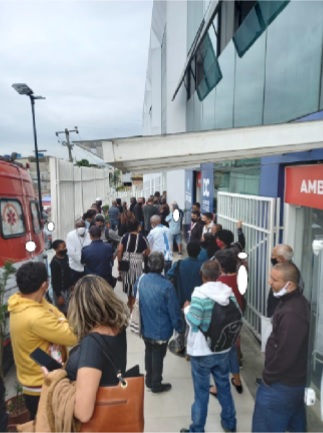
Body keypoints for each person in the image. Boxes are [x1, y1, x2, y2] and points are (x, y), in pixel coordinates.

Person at [8, 261, 77, 420]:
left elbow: (46, 306)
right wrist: (61, 317)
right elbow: (71, 336)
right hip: (44, 386)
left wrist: (51, 309)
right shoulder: (36, 317)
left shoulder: (19, 302)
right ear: (45, 285)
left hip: (31, 383)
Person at [252, 261, 310, 433]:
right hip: (290, 385)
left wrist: (269, 378)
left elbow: (286, 354)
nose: (270, 282)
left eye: (274, 279)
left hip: (280, 386)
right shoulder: (291, 302)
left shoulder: (292, 313)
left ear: (289, 284)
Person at [181, 260, 237, 433]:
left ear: (203, 275)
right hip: (223, 348)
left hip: (202, 351)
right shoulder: (228, 293)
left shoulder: (199, 294)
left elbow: (194, 321)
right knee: (224, 387)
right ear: (218, 274)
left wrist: (187, 309)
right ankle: (229, 423)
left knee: (201, 393)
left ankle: (197, 428)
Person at [65, 274, 129, 423]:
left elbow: (83, 413)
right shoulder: (118, 328)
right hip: (113, 413)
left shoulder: (92, 344)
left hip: (99, 422)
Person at [134, 252, 184, 394]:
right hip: (161, 329)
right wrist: (180, 328)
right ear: (162, 266)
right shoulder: (167, 286)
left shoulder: (141, 280)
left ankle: (149, 379)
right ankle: (156, 383)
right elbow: (174, 311)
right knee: (158, 356)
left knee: (148, 351)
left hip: (145, 326)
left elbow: (135, 292)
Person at [209, 249, 245, 398]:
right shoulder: (239, 277)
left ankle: (219, 387)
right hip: (236, 320)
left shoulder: (220, 282)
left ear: (222, 266)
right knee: (232, 352)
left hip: (222, 324)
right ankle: (237, 379)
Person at [166, 241, 203, 355]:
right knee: (195, 326)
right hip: (197, 302)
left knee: (180, 324)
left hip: (181, 299)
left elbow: (169, 275)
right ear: (199, 252)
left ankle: (180, 346)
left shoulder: (180, 264)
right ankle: (191, 347)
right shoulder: (203, 266)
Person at [117, 219, 149, 311]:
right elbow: (147, 252)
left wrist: (120, 262)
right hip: (137, 262)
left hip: (126, 261)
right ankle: (133, 304)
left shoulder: (124, 237)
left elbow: (119, 250)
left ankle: (129, 302)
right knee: (135, 282)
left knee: (127, 282)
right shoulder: (143, 238)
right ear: (138, 227)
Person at [267, 243, 304, 317]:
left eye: (273, 255)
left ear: (281, 258)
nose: (270, 282)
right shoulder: (282, 270)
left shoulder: (292, 274)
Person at [50, 239, 73, 314]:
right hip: (60, 291)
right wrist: (59, 296)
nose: (65, 249)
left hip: (68, 289)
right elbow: (54, 281)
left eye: (65, 247)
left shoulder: (66, 257)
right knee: (63, 312)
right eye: (62, 248)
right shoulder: (54, 263)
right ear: (56, 249)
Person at [66, 218, 91, 285]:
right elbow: (71, 252)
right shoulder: (70, 235)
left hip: (88, 266)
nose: (81, 228)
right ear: (75, 227)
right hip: (75, 266)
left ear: (85, 227)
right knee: (76, 285)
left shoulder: (89, 233)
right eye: (78, 226)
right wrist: (81, 260)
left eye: (82, 226)